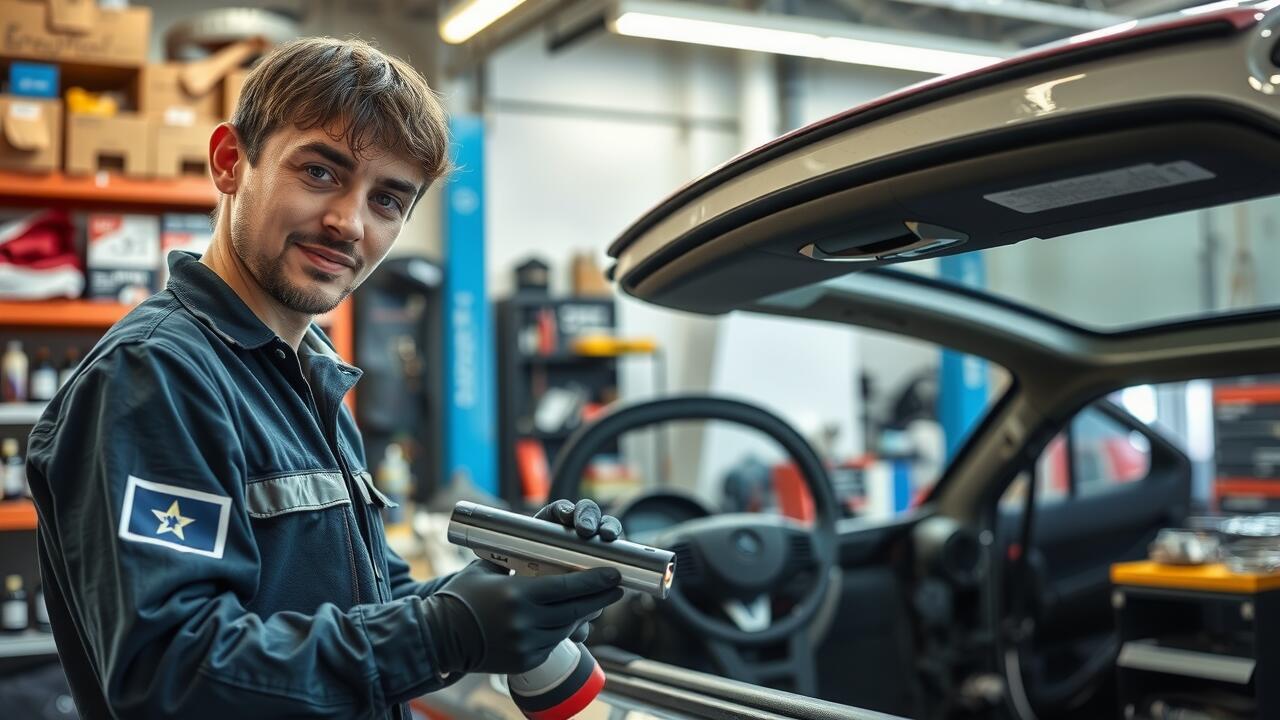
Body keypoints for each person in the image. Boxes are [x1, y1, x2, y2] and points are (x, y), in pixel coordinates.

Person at [25, 37, 625, 719]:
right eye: (319, 172)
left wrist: (497, 590)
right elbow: (169, 673)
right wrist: (441, 633)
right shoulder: (155, 376)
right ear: (230, 162)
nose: (349, 223)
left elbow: (359, 608)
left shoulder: (308, 382)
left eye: (389, 200)